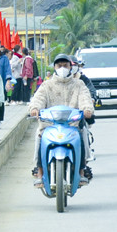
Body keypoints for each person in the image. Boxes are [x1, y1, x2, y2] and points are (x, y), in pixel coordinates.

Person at [29, 54, 94, 187]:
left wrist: (87, 109)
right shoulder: (47, 85)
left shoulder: (79, 84)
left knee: (81, 135)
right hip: (49, 124)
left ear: (70, 67)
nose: (62, 68)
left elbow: (85, 98)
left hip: (72, 124)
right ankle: (40, 172)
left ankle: (81, 171)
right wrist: (35, 108)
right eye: (59, 65)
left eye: (65, 65)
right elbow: (38, 98)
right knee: (40, 136)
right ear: (54, 67)